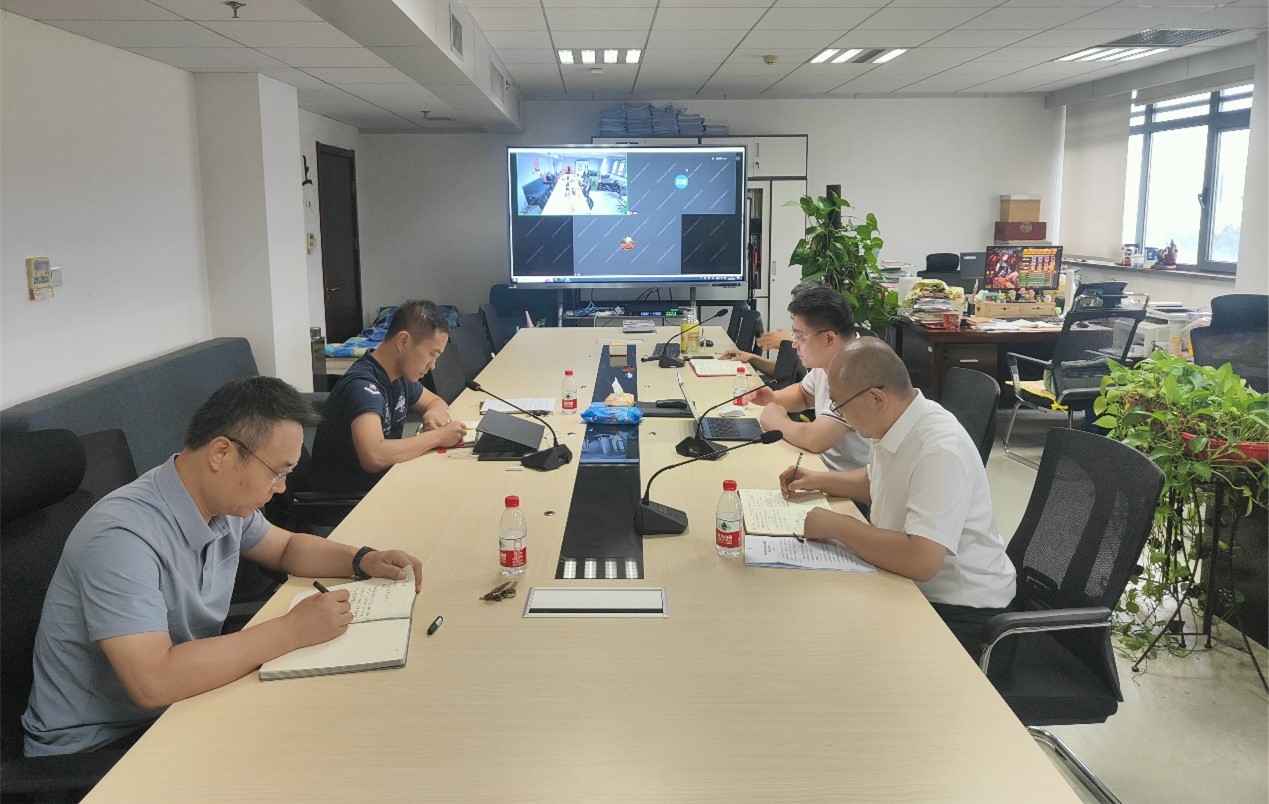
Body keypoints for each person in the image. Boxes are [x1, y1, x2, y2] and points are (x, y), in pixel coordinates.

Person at [22, 377, 424, 757]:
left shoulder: (222, 504)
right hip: (99, 748)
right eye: (277, 472)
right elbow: (153, 682)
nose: (282, 487)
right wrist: (293, 630)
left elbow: (285, 548)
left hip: (179, 705)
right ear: (221, 453)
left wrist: (361, 558)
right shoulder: (121, 537)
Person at [779, 338, 1016, 657]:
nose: (840, 415)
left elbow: (921, 560)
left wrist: (837, 526)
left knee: (829, 644)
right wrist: (819, 480)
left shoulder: (938, 449)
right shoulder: (897, 420)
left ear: (876, 398)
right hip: (908, 584)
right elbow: (878, 480)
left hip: (963, 615)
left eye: (839, 405)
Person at [308, 300, 467, 493]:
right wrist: (438, 437)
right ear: (403, 341)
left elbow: (435, 402)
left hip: (384, 482)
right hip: (349, 500)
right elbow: (374, 456)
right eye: (432, 354)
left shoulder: (399, 376)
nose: (432, 365)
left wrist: (433, 414)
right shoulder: (363, 387)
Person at [736, 286, 870, 472]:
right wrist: (773, 398)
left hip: (844, 478)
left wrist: (776, 421)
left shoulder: (856, 370)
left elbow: (815, 439)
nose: (794, 345)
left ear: (829, 339)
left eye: (800, 337)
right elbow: (803, 395)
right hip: (818, 464)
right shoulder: (830, 358)